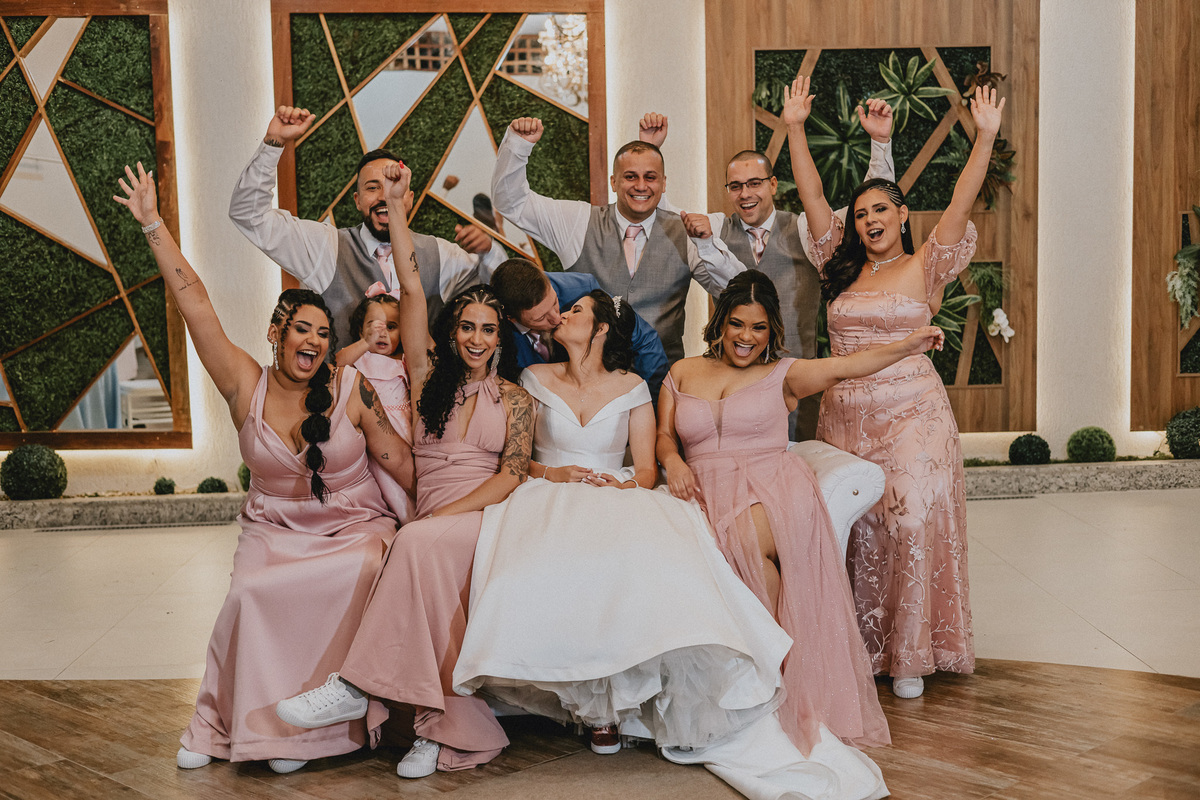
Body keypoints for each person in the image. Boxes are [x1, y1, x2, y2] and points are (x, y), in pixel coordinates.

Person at [453, 288, 890, 800]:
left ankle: (724, 692)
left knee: (647, 565)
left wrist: (625, 485)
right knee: (548, 563)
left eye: (575, 311)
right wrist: (555, 473)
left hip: (621, 492)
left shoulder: (635, 387)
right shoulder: (533, 379)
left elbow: (644, 470)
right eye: (737, 324)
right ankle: (590, 703)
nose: (562, 315)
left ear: (600, 329)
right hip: (548, 491)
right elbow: (515, 456)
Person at [113, 162, 415, 773]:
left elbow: (399, 460)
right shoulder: (243, 384)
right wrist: (151, 225)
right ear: (277, 332)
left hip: (354, 524)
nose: (315, 342)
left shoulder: (352, 387)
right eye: (302, 329)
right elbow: (195, 304)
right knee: (250, 592)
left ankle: (317, 734)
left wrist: (441, 512)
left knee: (363, 566)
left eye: (324, 334)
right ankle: (253, 728)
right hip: (273, 529)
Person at [274, 161, 535, 779]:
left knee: (414, 543)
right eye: (466, 327)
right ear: (452, 332)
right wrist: (395, 205)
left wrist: (438, 518)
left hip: (484, 513)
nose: (476, 339)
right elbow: (412, 288)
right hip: (432, 517)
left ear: (500, 338)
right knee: (419, 565)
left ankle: (355, 688)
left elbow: (511, 476)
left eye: (488, 330)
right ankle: (436, 730)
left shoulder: (517, 398)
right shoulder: (425, 378)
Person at [657, 270, 945, 753]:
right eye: (737, 324)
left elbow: (848, 366)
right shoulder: (682, 371)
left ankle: (766, 677)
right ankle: (767, 681)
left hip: (771, 485)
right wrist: (673, 462)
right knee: (728, 559)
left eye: (759, 327)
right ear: (720, 322)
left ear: (772, 330)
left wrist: (907, 345)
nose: (746, 337)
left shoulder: (784, 374)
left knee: (745, 547)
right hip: (702, 487)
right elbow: (665, 435)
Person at [786, 74, 1002, 698]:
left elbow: (960, 199)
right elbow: (811, 192)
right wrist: (795, 127)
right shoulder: (838, 266)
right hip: (846, 419)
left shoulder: (927, 264)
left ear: (902, 215)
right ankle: (857, 650)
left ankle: (909, 653)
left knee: (907, 519)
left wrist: (985, 138)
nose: (869, 219)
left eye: (881, 209)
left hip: (914, 414)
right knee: (857, 526)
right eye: (860, 214)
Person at [637, 108, 896, 439]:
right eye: (736, 186)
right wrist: (650, 149)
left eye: (754, 183)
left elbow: (869, 204)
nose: (745, 194)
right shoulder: (715, 228)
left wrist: (880, 142)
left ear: (773, 184)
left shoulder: (805, 229)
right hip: (732, 387)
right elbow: (662, 216)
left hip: (796, 385)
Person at [230, 105, 508, 347]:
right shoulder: (326, 247)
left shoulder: (441, 254)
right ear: (357, 200)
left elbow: (498, 293)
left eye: (394, 187)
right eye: (373, 188)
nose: (385, 197)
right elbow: (249, 215)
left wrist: (488, 251)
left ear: (410, 198)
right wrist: (274, 142)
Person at [491, 117, 745, 363]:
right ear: (613, 182)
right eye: (630, 177)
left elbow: (737, 292)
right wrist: (518, 147)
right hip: (583, 383)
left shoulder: (686, 232)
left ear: (664, 183)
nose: (641, 186)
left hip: (662, 381)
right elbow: (513, 203)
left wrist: (708, 246)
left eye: (650, 177)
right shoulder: (578, 221)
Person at [490, 257, 668, 397]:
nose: (557, 318)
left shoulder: (580, 289)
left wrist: (651, 405)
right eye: (541, 318)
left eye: (555, 303)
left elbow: (645, 341)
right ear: (511, 318)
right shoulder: (495, 329)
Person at [335, 290, 415, 523]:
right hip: (371, 427)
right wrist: (365, 344)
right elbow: (336, 364)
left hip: (403, 428)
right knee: (381, 479)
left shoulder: (404, 360)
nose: (382, 333)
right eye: (374, 327)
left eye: (391, 327)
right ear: (361, 331)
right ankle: (391, 518)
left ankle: (411, 518)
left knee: (405, 475)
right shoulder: (360, 358)